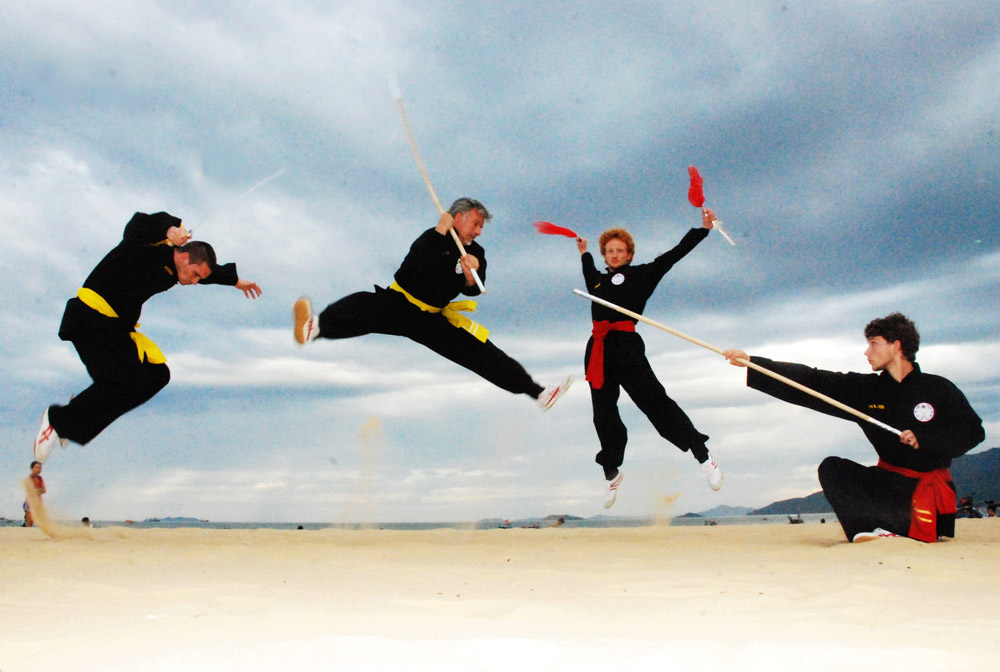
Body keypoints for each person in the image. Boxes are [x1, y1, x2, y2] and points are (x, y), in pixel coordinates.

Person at [724, 312, 985, 543]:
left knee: (899, 497)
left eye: (874, 344)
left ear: (896, 346)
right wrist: (753, 363)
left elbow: (974, 432)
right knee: (833, 468)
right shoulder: (868, 390)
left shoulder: (938, 388)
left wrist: (926, 438)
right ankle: (871, 532)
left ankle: (885, 529)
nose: (867, 352)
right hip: (888, 486)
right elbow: (814, 381)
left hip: (923, 494)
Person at [293, 198, 572, 409]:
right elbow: (412, 267)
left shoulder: (476, 252)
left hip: (433, 318)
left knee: (480, 352)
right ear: (458, 218)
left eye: (481, 227)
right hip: (401, 302)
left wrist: (470, 275)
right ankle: (314, 327)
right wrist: (439, 233)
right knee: (363, 307)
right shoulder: (433, 237)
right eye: (475, 224)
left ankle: (538, 392)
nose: (478, 232)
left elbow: (475, 291)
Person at [32, 212, 262, 462]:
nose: (195, 282)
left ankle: (75, 417)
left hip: (115, 331)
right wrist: (168, 229)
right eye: (195, 274)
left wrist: (236, 281)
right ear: (184, 256)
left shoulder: (179, 269)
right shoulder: (148, 246)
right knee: (122, 378)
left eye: (200, 279)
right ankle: (57, 421)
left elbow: (209, 272)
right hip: (91, 319)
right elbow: (137, 224)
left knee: (157, 375)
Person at [576, 208, 723, 509]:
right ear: (604, 255)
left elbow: (671, 256)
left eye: (620, 250)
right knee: (603, 415)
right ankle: (611, 471)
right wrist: (584, 253)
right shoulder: (598, 283)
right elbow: (589, 273)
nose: (614, 255)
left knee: (655, 403)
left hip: (627, 348)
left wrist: (703, 230)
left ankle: (702, 453)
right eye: (609, 251)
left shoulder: (642, 275)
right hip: (599, 351)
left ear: (629, 254)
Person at [23, 461, 46, 527]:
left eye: (40, 468)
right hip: (30, 502)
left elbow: (44, 490)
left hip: (39, 503)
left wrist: (35, 491)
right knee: (30, 522)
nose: (39, 469)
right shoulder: (29, 479)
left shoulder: (40, 478)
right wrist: (38, 491)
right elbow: (30, 491)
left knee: (41, 521)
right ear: (32, 468)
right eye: (37, 467)